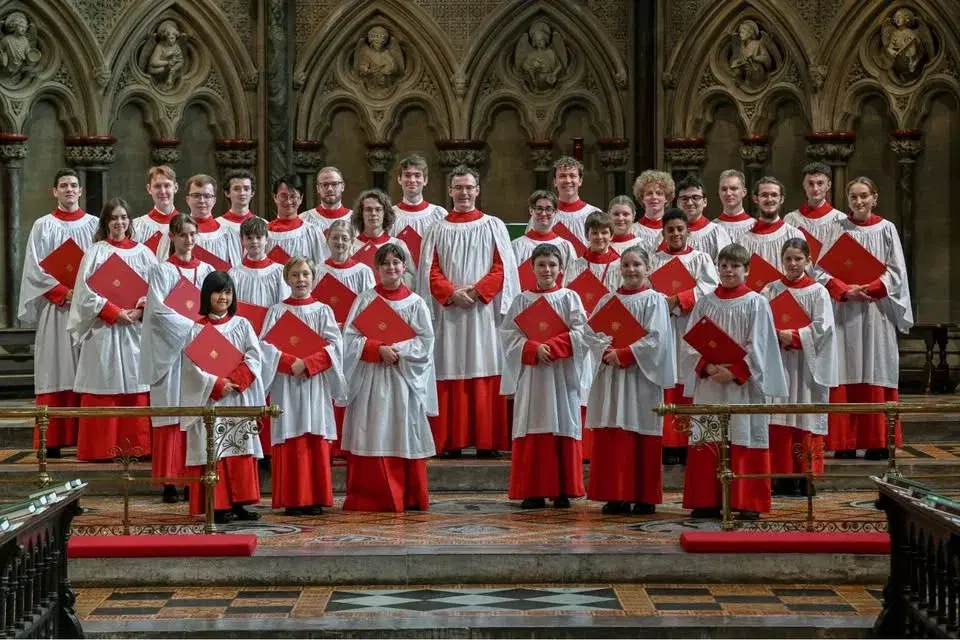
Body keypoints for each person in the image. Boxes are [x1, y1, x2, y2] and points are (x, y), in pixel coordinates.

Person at [678, 243, 787, 520]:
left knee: (743, 436)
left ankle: (747, 501)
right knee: (708, 437)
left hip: (743, 386)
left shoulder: (756, 302)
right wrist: (706, 366)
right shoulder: (705, 302)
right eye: (723, 266)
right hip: (710, 384)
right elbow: (690, 342)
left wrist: (737, 370)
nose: (728, 271)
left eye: (735, 266)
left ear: (747, 270)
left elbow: (761, 344)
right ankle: (706, 500)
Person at [418, 165, 520, 457]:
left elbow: (502, 267)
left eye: (469, 187)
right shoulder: (436, 229)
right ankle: (451, 441)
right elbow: (429, 269)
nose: (464, 193)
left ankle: (487, 441)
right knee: (449, 366)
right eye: (458, 188)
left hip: (483, 313)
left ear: (477, 190)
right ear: (450, 191)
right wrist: (451, 293)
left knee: (486, 365)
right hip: (449, 312)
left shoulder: (493, 226)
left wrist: (476, 292)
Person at [814, 177, 912, 460]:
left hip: (875, 312)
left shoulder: (886, 229)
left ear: (874, 198)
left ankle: (877, 441)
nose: (859, 202)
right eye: (854, 197)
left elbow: (897, 271)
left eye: (864, 196)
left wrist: (869, 288)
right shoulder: (836, 228)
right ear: (847, 200)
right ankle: (844, 441)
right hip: (845, 312)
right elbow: (820, 271)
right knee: (844, 369)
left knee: (875, 366)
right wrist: (845, 290)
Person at [341, 244, 437, 511]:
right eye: (385, 263)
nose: (391, 267)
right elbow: (349, 340)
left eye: (396, 262)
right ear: (377, 268)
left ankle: (409, 495)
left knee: (401, 429)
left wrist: (396, 350)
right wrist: (375, 349)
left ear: (404, 267)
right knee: (372, 428)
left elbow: (426, 342)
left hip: (401, 379)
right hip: (371, 378)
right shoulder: (365, 300)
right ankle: (370, 497)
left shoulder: (415, 303)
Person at [585, 245, 676, 514]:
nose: (631, 270)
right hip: (612, 377)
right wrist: (605, 351)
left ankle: (644, 496)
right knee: (613, 431)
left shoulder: (655, 300)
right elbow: (590, 333)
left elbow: (658, 339)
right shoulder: (607, 300)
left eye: (637, 264)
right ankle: (615, 495)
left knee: (641, 431)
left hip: (641, 378)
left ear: (648, 268)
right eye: (626, 265)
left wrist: (624, 354)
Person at [501, 244, 591, 509]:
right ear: (532, 268)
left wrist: (552, 347)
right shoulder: (521, 300)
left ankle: (563, 489)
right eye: (541, 265)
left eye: (552, 265)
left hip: (561, 373)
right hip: (533, 375)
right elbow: (508, 336)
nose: (547, 270)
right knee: (533, 422)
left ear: (561, 268)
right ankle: (534, 491)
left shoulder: (570, 298)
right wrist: (532, 348)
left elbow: (583, 333)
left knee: (563, 421)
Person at [68, 198, 158, 461]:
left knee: (135, 381)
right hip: (103, 329)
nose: (120, 222)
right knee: (104, 381)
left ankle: (138, 446)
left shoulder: (144, 253)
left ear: (130, 221)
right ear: (106, 222)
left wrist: (140, 310)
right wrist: (112, 312)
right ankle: (101, 448)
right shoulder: (96, 252)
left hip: (134, 329)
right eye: (114, 218)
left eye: (124, 217)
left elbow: (156, 289)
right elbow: (83, 293)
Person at [18, 169, 99, 458]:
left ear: (80, 191)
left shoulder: (95, 225)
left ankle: (86, 437)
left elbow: (103, 265)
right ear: (55, 191)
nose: (69, 189)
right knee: (56, 366)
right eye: (63, 185)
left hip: (88, 310)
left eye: (74, 185)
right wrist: (64, 292)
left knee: (87, 369)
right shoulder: (43, 225)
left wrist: (85, 294)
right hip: (56, 309)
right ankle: (52, 439)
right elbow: (34, 268)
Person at [180, 271, 269, 524]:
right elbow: (191, 368)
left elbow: (254, 357)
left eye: (228, 292)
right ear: (207, 295)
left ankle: (240, 503)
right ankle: (218, 505)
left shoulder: (242, 325)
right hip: (212, 399)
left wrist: (236, 381)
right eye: (218, 292)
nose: (223, 297)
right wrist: (218, 384)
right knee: (215, 449)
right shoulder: (196, 329)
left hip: (237, 397)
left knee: (238, 447)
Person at [261, 257, 344, 515]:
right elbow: (265, 348)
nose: (301, 280)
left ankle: (316, 497)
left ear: (313, 277)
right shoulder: (277, 311)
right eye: (295, 275)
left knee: (313, 435)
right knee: (290, 436)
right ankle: (293, 499)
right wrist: (289, 363)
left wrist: (307, 364)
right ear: (287, 279)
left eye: (306, 274)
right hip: (286, 384)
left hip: (314, 382)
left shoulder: (323, 311)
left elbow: (335, 346)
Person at [139, 213, 214, 502]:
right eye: (183, 234)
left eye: (193, 234)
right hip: (170, 355)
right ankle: (170, 481)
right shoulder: (162, 271)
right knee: (171, 414)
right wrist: (193, 327)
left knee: (194, 414)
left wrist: (201, 330)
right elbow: (158, 312)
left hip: (197, 353)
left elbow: (215, 306)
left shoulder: (207, 270)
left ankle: (193, 478)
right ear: (172, 237)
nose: (189, 239)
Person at [761, 238, 837, 495]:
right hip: (778, 362)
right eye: (788, 259)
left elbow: (823, 328)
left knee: (804, 415)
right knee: (777, 416)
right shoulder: (770, 290)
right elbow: (759, 323)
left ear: (808, 261)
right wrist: (776, 335)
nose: (792, 264)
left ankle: (804, 477)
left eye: (798, 259)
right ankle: (778, 475)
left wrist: (794, 336)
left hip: (805, 365)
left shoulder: (818, 292)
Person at [649, 208, 719, 465]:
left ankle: (692, 443)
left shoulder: (701, 259)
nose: (676, 233)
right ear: (663, 233)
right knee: (667, 381)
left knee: (690, 380)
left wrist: (678, 299)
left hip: (692, 328)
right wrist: (663, 302)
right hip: (665, 328)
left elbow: (709, 289)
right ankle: (669, 443)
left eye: (680, 229)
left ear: (688, 231)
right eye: (670, 230)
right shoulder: (654, 260)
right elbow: (647, 292)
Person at [229, 216, 291, 458]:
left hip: (270, 342)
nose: (254, 242)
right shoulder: (234, 274)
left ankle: (270, 448)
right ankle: (250, 448)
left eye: (258, 237)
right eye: (249, 238)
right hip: (244, 343)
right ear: (242, 241)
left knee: (271, 392)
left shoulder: (278, 272)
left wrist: (269, 336)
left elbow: (284, 309)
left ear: (267, 239)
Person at [316, 220, 375, 456]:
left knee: (352, 388)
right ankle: (330, 445)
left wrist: (350, 327)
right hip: (326, 341)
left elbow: (371, 307)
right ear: (327, 240)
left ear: (352, 242)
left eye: (344, 238)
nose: (339, 243)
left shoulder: (363, 272)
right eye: (335, 238)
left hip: (353, 341)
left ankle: (350, 443)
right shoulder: (317, 271)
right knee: (328, 390)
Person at [737, 176, 804, 284]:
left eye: (774, 195)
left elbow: (805, 275)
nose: (769, 199)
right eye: (764, 195)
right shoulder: (743, 241)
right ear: (755, 199)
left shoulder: (795, 235)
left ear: (781, 199)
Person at [391, 154, 448, 272]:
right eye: (407, 175)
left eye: (417, 175)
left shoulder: (439, 214)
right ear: (399, 179)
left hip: (431, 275)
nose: (412, 180)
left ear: (425, 180)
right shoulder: (390, 215)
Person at [510, 190, 576, 289]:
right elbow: (510, 282)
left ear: (555, 212)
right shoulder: (516, 246)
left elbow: (572, 280)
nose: (543, 213)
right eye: (539, 208)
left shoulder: (566, 246)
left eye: (549, 209)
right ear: (531, 210)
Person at [350, 189, 415, 284]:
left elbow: (412, 278)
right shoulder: (351, 246)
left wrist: (394, 278)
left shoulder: (397, 244)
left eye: (378, 209)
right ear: (361, 214)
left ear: (385, 213)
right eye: (368, 209)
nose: (373, 213)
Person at [783, 162, 846, 254]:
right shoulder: (791, 219)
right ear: (804, 185)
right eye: (810, 183)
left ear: (828, 185)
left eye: (820, 183)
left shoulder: (841, 219)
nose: (815, 188)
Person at [268, 175, 329, 264]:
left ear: (301, 198)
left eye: (293, 196)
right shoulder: (264, 233)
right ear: (275, 197)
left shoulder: (312, 232)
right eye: (283, 196)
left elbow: (322, 266)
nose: (288, 201)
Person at [185, 174, 242, 268]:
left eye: (207, 196)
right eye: (196, 195)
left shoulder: (228, 234)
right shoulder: (178, 233)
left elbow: (236, 270)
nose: (201, 200)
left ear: (214, 200)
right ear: (187, 199)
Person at [548, 156, 601, 254]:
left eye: (572, 176)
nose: (568, 181)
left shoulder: (594, 214)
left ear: (580, 181)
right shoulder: (543, 215)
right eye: (562, 176)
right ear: (555, 181)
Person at [676, 175, 731, 260]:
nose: (690, 203)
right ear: (678, 203)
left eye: (695, 198)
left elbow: (726, 264)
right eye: (684, 198)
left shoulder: (717, 233)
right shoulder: (668, 233)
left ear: (704, 202)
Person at [133, 165, 180, 259]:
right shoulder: (136, 227)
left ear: (175, 187)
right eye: (157, 186)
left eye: (167, 185)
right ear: (149, 189)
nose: (163, 191)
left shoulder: (188, 225)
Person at [630, 170, 675, 254]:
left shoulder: (675, 230)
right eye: (649, 193)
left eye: (659, 193)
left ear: (666, 198)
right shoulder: (631, 230)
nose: (654, 197)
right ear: (642, 198)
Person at [300, 167, 352, 233]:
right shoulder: (304, 219)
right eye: (325, 185)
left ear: (342, 187)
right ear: (318, 188)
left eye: (334, 184)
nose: (330, 189)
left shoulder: (356, 219)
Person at [218, 169, 263, 234]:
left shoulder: (264, 225)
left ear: (252, 193)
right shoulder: (218, 225)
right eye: (236, 189)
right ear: (227, 193)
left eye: (246, 189)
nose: (242, 193)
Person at [715, 170, 754, 242]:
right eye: (724, 189)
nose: (728, 193)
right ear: (719, 193)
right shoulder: (711, 229)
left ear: (744, 192)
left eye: (733, 188)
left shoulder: (755, 226)